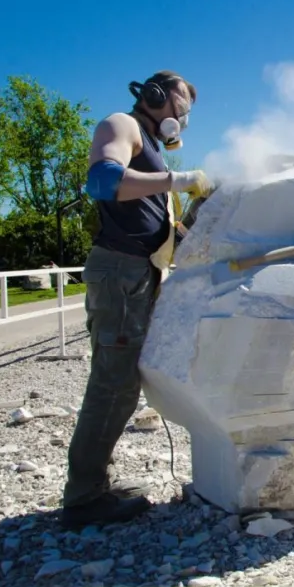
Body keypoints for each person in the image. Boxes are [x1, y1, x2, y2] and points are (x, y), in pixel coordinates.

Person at [60, 71, 212, 529]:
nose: (181, 121)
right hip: (120, 273)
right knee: (113, 385)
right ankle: (84, 498)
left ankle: (92, 487)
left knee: (122, 384)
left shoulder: (150, 148)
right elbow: (102, 183)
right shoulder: (121, 126)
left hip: (137, 273)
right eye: (179, 109)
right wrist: (178, 179)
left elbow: (154, 223)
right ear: (153, 96)